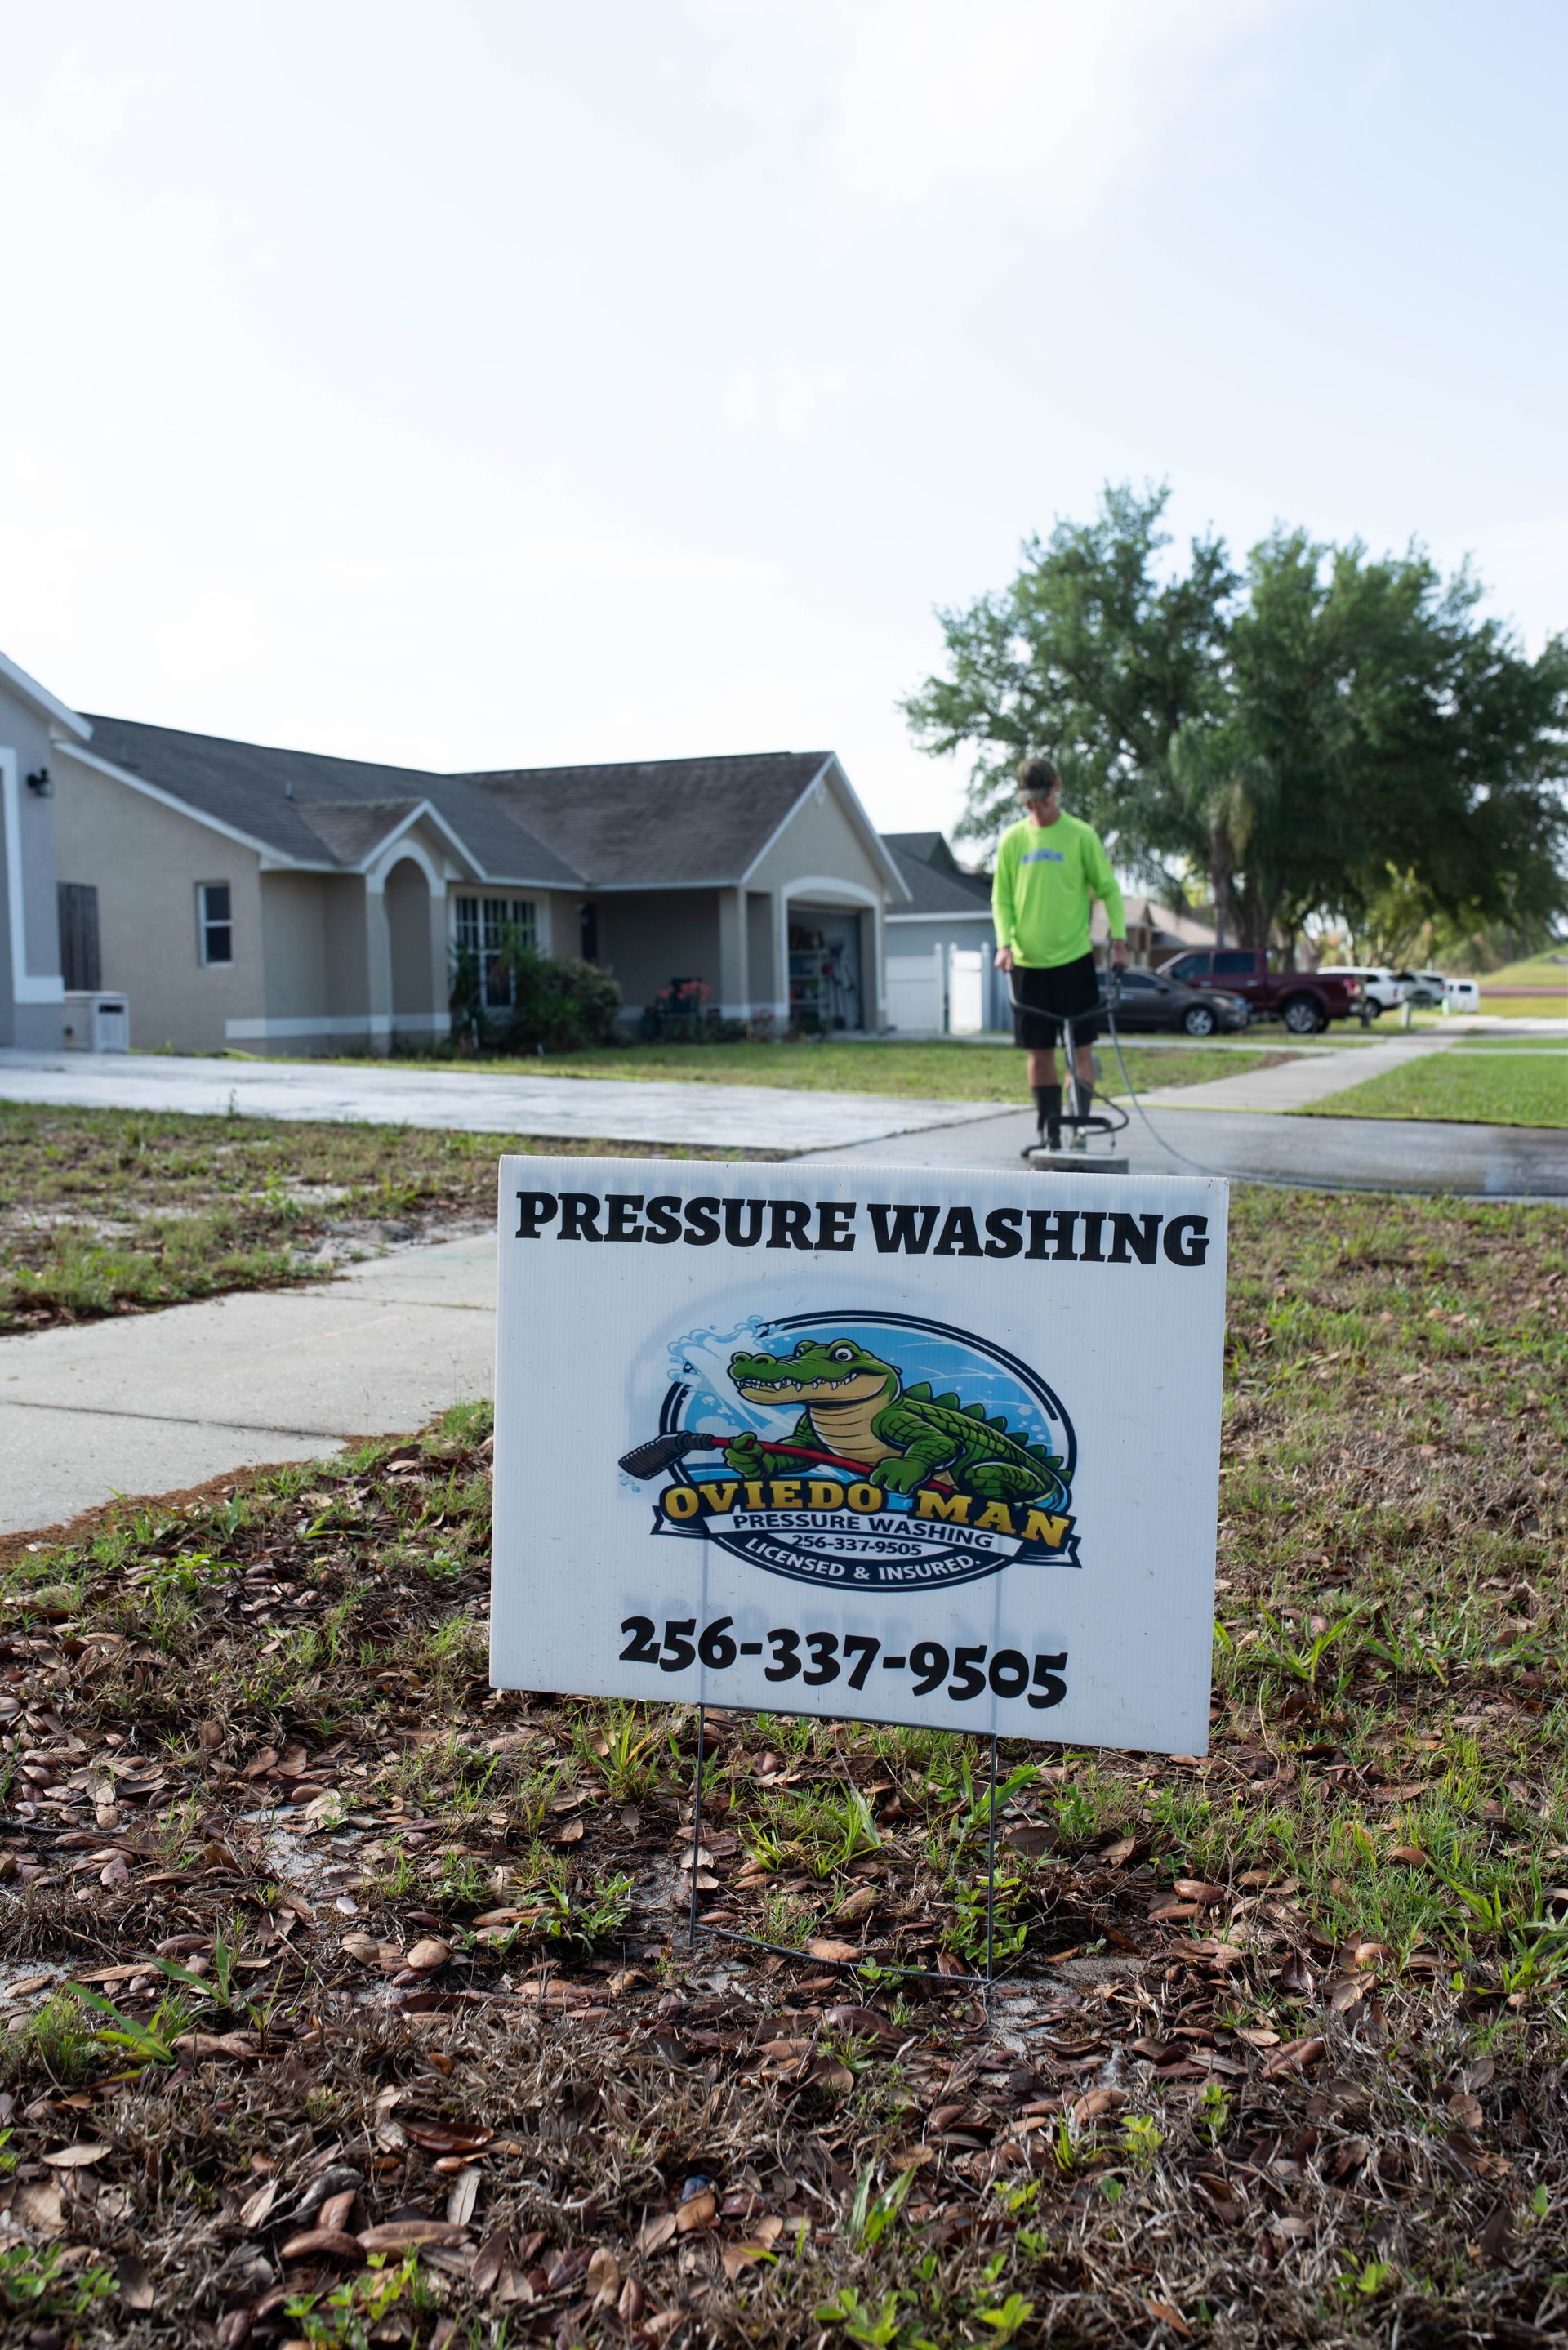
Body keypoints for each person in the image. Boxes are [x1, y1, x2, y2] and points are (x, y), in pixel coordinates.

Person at [992, 756, 1128, 1153]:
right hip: (1027, 965)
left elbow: (1108, 889)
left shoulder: (1080, 836)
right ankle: (1048, 1129)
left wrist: (1118, 941)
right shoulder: (1013, 840)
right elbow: (1001, 899)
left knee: (1079, 1049)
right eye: (1028, 803)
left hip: (1073, 962)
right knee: (1039, 1053)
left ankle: (1080, 1127)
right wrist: (1004, 944)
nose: (1036, 809)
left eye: (1042, 800)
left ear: (1057, 788)